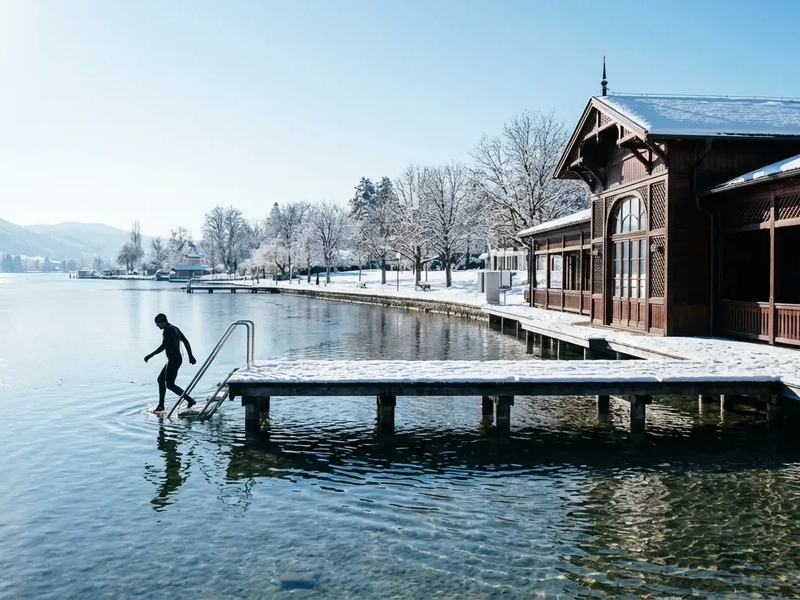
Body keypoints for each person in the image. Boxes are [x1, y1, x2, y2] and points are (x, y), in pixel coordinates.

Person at [144, 313, 198, 412]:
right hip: (175, 359)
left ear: (162, 322)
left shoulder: (167, 330)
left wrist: (150, 355)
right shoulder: (174, 328)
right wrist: (190, 355)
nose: (157, 326)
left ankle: (190, 400)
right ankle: (161, 405)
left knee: (169, 384)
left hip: (174, 360)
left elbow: (164, 345)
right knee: (160, 380)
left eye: (157, 324)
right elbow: (185, 341)